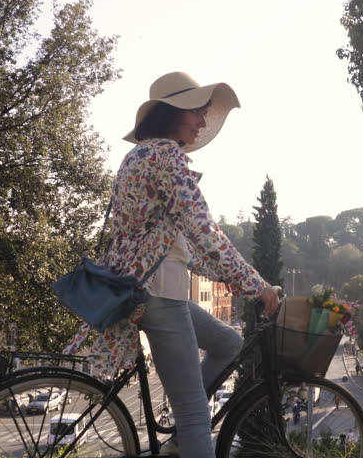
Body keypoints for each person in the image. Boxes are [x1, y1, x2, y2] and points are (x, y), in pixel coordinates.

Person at [62, 72, 279, 458]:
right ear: (173, 112)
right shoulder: (167, 155)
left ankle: (178, 440)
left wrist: (225, 275)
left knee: (228, 342)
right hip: (159, 295)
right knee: (196, 416)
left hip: (148, 288)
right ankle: (187, 438)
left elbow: (170, 243)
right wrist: (255, 284)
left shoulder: (138, 156)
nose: (201, 122)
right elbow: (203, 230)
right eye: (197, 112)